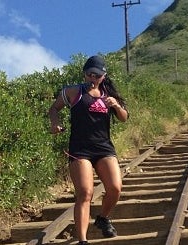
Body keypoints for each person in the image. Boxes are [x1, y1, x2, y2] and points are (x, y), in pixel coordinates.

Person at [48, 55, 128, 245]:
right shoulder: (73, 92)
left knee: (115, 188)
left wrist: (116, 106)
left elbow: (124, 117)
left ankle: (103, 218)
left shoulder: (109, 95)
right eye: (90, 74)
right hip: (80, 149)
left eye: (97, 75)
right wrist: (55, 123)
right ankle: (83, 240)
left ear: (103, 76)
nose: (93, 78)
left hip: (103, 147)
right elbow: (54, 109)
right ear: (85, 74)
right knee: (85, 193)